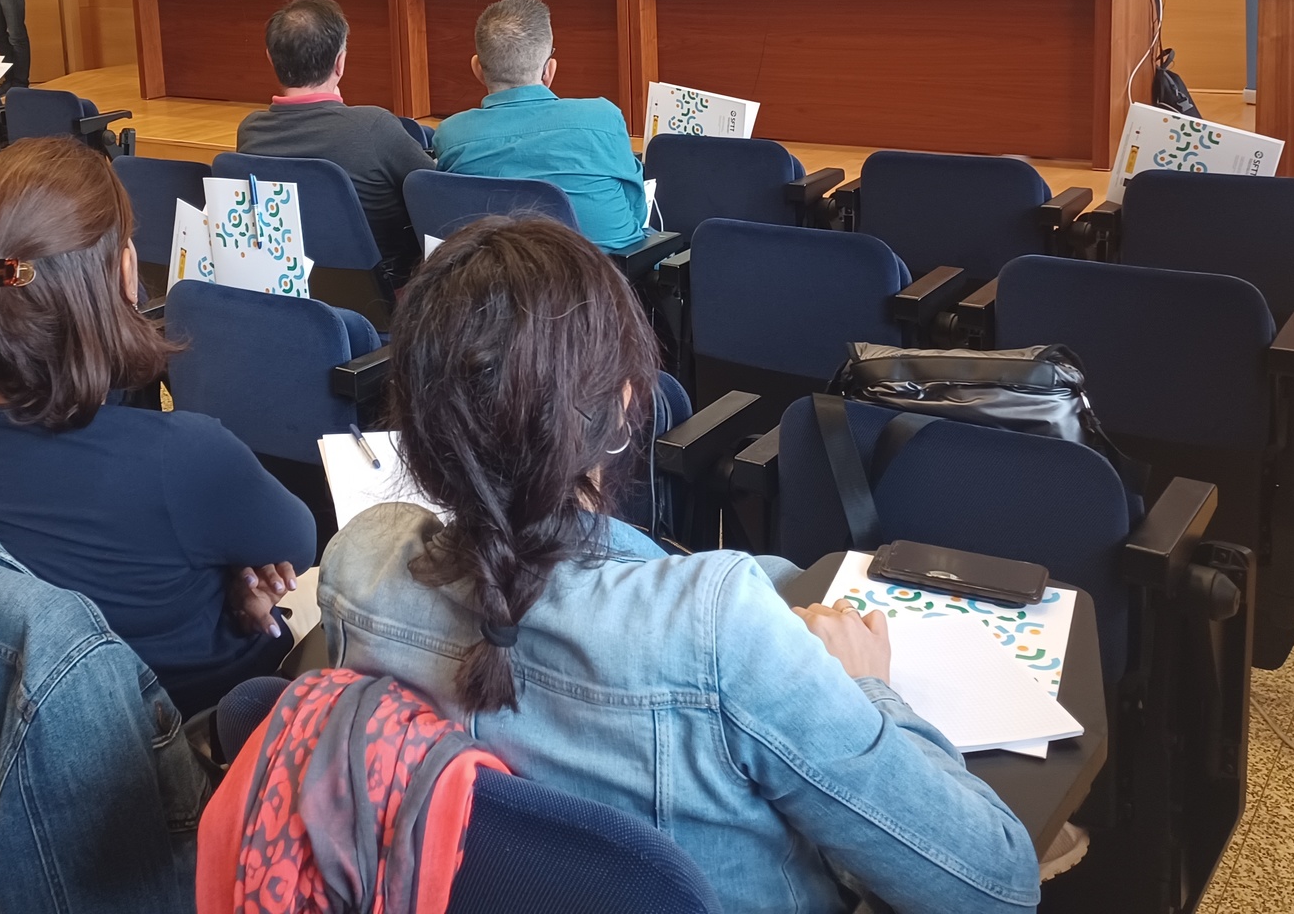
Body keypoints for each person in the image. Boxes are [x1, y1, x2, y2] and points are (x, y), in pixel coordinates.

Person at [319, 216, 1040, 914]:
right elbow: (995, 883)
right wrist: (869, 691)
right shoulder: (715, 626)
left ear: (416, 429)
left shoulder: (360, 566)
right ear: (629, 406)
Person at [0, 137, 317, 714]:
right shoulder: (187, 457)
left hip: (25, 721)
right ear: (124, 274)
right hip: (191, 730)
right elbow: (296, 544)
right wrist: (233, 581)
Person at [235, 0, 436, 273]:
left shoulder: (251, 131)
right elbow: (436, 189)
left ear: (270, 58)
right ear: (340, 63)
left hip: (291, 289)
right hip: (386, 296)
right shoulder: (373, 126)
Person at [432, 0, 646, 254]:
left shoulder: (452, 134)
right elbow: (636, 209)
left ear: (477, 69)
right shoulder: (603, 117)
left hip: (496, 283)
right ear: (549, 71)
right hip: (602, 284)